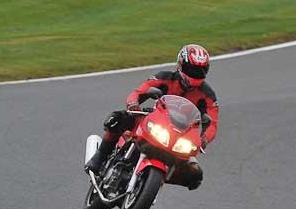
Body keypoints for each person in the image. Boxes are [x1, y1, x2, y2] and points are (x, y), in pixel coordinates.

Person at [84, 44, 219, 190]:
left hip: (181, 134)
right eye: (191, 69)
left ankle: (151, 183)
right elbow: (139, 91)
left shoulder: (208, 95)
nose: (195, 73)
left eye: (200, 70)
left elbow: (212, 123)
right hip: (155, 120)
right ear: (181, 65)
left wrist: (204, 138)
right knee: (117, 118)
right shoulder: (165, 78)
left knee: (195, 175)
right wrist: (133, 103)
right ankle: (100, 156)